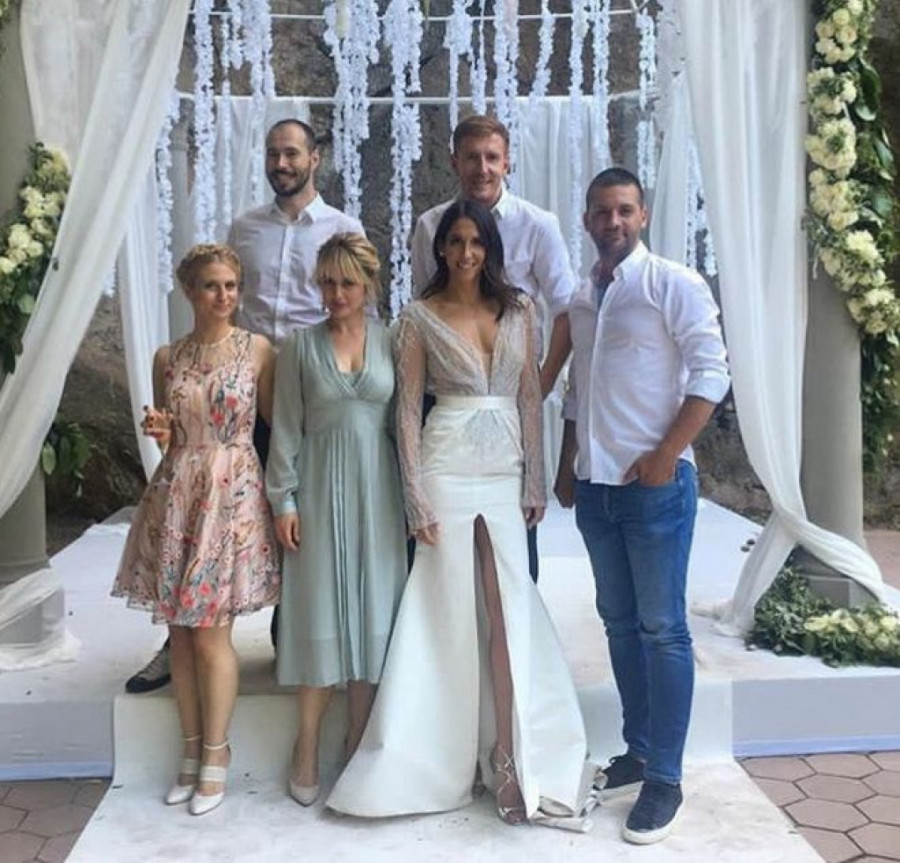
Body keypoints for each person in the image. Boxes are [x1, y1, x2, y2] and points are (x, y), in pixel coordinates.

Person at [328, 201, 595, 828]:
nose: (466, 252)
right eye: (455, 241)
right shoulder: (417, 317)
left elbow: (529, 395)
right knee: (445, 608)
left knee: (507, 609)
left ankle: (511, 755)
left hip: (505, 470)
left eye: (476, 241)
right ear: (441, 248)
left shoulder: (521, 310)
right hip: (445, 464)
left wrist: (535, 478)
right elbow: (405, 411)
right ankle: (435, 757)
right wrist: (414, 494)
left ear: (491, 248)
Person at [125, 118, 362, 691]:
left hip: (311, 388)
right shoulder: (244, 228)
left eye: (292, 153)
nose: (282, 163)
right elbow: (226, 303)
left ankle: (294, 639)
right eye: (273, 153)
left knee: (300, 516)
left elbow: (356, 310)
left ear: (314, 158)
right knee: (210, 519)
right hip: (244, 391)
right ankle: (180, 638)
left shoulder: (342, 228)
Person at [554, 168, 730, 845]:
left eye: (625, 210)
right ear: (587, 219)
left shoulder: (672, 284)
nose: (614, 222)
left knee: (663, 630)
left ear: (643, 215)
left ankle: (666, 778)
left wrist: (665, 456)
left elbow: (712, 373)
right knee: (621, 625)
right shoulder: (582, 296)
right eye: (602, 212)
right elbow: (578, 388)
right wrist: (567, 462)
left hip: (655, 488)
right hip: (597, 489)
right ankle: (638, 749)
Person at [112, 244, 280, 816]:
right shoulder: (169, 356)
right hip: (177, 495)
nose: (224, 295)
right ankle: (189, 752)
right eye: (212, 285)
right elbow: (172, 437)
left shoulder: (258, 350)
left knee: (211, 634)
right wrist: (162, 432)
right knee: (181, 634)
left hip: (230, 496)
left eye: (231, 285)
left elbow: (277, 428)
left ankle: (217, 753)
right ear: (189, 290)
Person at [265, 233, 407, 807]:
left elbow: (404, 424)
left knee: (374, 612)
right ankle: (305, 746)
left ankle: (358, 741)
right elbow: (285, 430)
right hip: (319, 490)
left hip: (380, 491)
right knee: (318, 612)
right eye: (327, 282)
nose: (336, 293)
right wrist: (284, 501)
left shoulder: (393, 341)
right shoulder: (299, 348)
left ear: (368, 284)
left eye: (347, 282)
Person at [410, 114, 576, 582]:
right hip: (448, 400)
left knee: (515, 540)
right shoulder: (430, 225)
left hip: (511, 395)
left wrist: (539, 384)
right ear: (454, 162)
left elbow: (566, 313)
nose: (481, 168)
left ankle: (515, 618)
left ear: (507, 163)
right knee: (444, 545)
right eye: (471, 158)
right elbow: (426, 305)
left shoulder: (538, 225)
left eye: (491, 158)